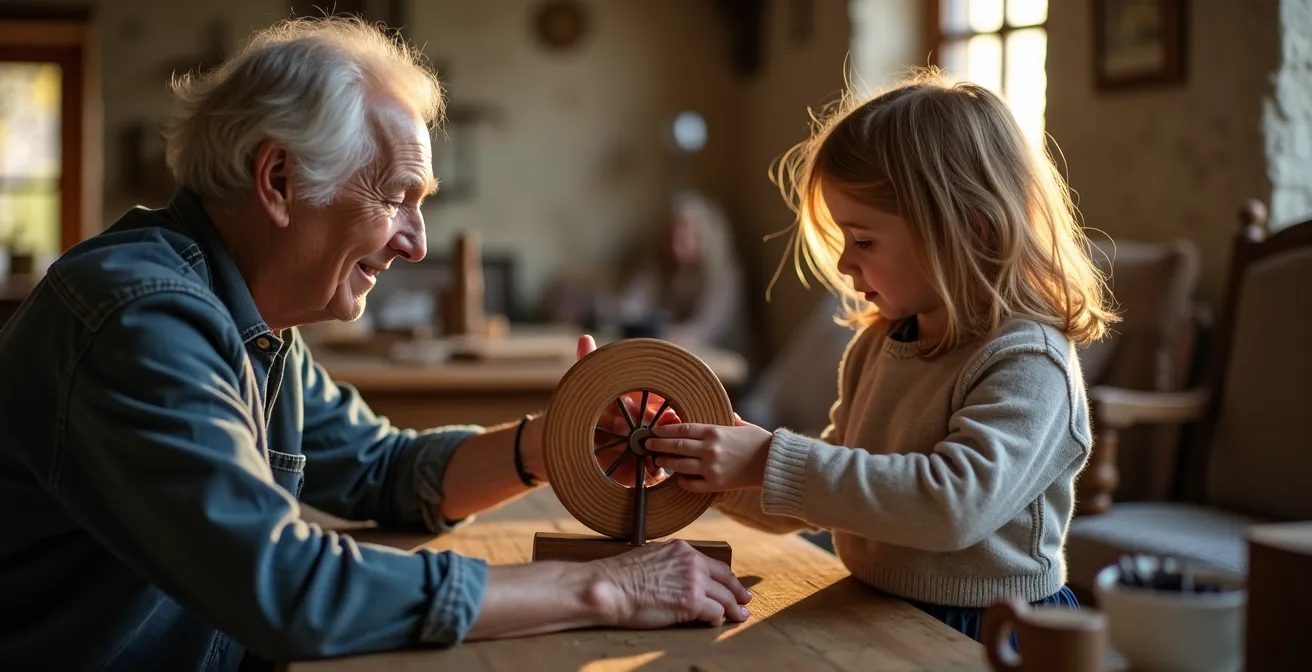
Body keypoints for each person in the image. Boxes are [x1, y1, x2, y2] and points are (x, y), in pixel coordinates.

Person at [0, 18, 749, 670]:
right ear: (279, 179)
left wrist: (558, 444)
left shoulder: (255, 322)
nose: (416, 244)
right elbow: (287, 588)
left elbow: (385, 470)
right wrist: (605, 587)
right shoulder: (142, 320)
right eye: (395, 198)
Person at [645, 71, 1116, 642]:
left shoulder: (1029, 360)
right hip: (875, 603)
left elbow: (953, 507)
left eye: (863, 240)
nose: (845, 263)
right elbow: (842, 493)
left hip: (992, 629)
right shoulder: (882, 343)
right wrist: (711, 471)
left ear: (972, 231)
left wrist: (767, 458)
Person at [612, 189, 748, 354]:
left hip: (717, 358)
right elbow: (629, 305)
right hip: (667, 353)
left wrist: (668, 333)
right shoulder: (658, 265)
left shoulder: (726, 276)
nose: (677, 237)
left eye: (686, 230)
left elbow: (709, 329)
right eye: (673, 230)